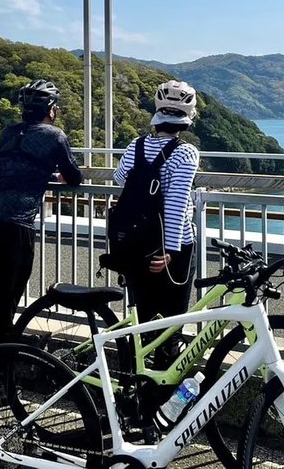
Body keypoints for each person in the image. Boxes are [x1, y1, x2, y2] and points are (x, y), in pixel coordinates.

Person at [0, 79, 83, 359]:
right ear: (51, 109)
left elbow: (13, 166)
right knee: (3, 305)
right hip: (15, 227)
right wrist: (54, 175)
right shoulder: (55, 136)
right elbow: (75, 177)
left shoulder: (7, 133)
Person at [113, 80, 200, 365]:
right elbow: (176, 202)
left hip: (135, 242)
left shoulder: (136, 145)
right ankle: (163, 381)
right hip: (172, 248)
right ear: (188, 115)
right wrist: (170, 249)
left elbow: (119, 178)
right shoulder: (185, 152)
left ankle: (134, 374)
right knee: (171, 321)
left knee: (142, 314)